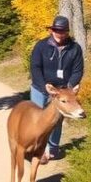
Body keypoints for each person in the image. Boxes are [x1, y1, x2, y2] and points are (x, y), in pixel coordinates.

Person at [29, 15, 84, 163]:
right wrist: (43, 86)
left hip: (63, 90)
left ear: (67, 32)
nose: (60, 34)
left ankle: (53, 148)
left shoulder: (75, 48)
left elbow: (78, 70)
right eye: (57, 31)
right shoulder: (41, 46)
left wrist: (70, 88)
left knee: (56, 120)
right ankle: (40, 151)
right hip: (41, 87)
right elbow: (35, 68)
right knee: (37, 118)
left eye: (63, 31)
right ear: (52, 31)